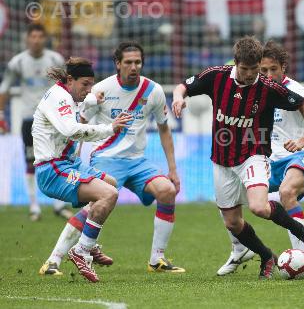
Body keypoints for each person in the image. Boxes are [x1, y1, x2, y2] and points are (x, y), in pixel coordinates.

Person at [172, 36, 304, 279]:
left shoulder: (268, 87)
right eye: (245, 69)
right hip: (222, 161)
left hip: (252, 155)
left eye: (255, 70)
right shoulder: (217, 76)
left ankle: (303, 232)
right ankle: (266, 255)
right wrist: (178, 97)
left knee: (258, 206)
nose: (250, 75)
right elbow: (183, 85)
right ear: (235, 63)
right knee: (232, 223)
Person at [38, 41, 185, 276]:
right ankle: (54, 259)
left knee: (167, 191)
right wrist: (74, 164)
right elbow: (80, 125)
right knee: (99, 200)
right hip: (105, 157)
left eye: (138, 62)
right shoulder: (99, 91)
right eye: (128, 62)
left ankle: (157, 259)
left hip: (137, 161)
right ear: (118, 64)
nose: (134, 67)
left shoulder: (153, 91)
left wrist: (173, 169)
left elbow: (164, 129)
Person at [216, 40, 304, 276]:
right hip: (267, 160)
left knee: (287, 192)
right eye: (262, 70)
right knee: (228, 199)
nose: (266, 74)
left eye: (272, 69)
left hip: (299, 156)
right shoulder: (254, 90)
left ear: (283, 67)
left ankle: (302, 258)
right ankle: (239, 250)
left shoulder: (298, 91)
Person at [32, 57, 132, 282]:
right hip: (52, 169)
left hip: (68, 162)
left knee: (111, 185)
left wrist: (93, 100)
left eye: (91, 85)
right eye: (85, 85)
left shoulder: (67, 93)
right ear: (70, 80)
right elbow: (70, 130)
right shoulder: (59, 98)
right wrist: (109, 128)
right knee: (109, 194)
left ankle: (82, 245)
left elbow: (80, 103)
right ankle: (81, 250)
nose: (88, 90)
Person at [0, 23, 73, 221]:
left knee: (59, 159)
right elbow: (4, 87)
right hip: (29, 119)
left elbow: (67, 86)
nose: (36, 40)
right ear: (27, 39)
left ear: (45, 39)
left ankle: (59, 205)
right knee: (31, 161)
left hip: (54, 119)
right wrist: (0, 115)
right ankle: (34, 207)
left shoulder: (54, 59)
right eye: (33, 36)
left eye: (40, 36)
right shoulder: (18, 62)